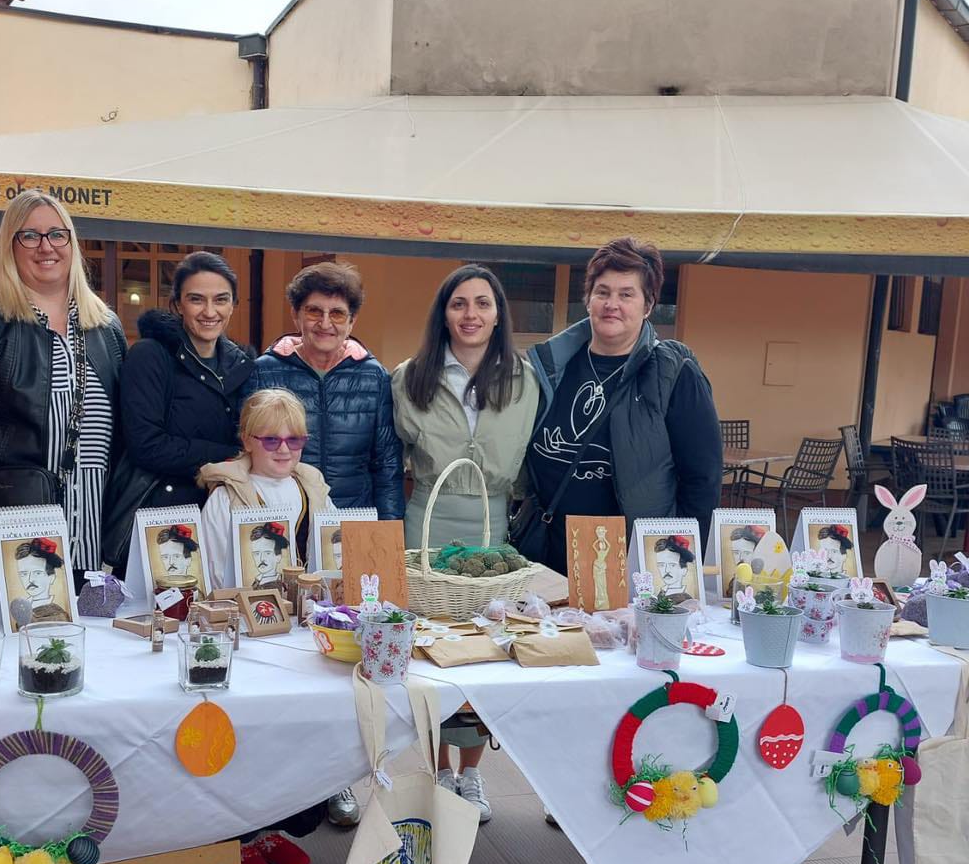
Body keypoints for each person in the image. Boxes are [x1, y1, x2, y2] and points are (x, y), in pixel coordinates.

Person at [245, 260, 405, 829]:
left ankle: (340, 779)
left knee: (345, 654)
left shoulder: (373, 376)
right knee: (291, 652)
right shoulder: (266, 369)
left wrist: (388, 533)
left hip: (347, 526)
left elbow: (386, 459)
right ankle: (289, 781)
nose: (325, 322)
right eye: (314, 311)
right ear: (296, 314)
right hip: (285, 525)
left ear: (352, 319)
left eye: (338, 313)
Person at [0, 190, 141, 575]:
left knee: (80, 614)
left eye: (57, 234)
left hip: (90, 534)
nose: (46, 246)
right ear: (10, 245)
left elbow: (125, 431)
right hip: (8, 528)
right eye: (30, 236)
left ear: (72, 243)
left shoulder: (105, 327)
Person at [392, 265, 539, 822]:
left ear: (499, 314)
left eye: (482, 303)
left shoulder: (523, 380)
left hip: (491, 523)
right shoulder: (410, 377)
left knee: (481, 651)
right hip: (426, 521)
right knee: (430, 654)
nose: (470, 314)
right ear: (444, 313)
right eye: (459, 303)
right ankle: (436, 771)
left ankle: (471, 772)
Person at [523, 237, 722, 576]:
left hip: (632, 564)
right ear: (588, 299)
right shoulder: (552, 367)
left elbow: (702, 480)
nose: (611, 304)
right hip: (548, 555)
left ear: (648, 305)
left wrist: (681, 562)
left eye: (626, 294)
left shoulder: (674, 374)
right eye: (602, 292)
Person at [198, 389, 331, 864]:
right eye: (271, 439)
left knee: (291, 736)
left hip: (300, 633)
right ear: (247, 440)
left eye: (295, 440)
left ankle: (275, 826)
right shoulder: (225, 497)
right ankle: (237, 838)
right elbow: (212, 568)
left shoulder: (311, 490)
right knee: (246, 736)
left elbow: (329, 551)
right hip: (245, 634)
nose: (284, 449)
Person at [116, 251, 254, 542]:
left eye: (221, 299)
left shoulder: (242, 364)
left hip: (225, 514)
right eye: (196, 299)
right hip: (164, 517)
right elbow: (147, 446)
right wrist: (232, 455)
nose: (209, 312)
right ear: (178, 304)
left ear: (233, 305)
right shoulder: (150, 356)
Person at [725, 523, 767, 597]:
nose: (741, 558)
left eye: (747, 553)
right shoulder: (734, 582)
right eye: (736, 552)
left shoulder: (762, 582)